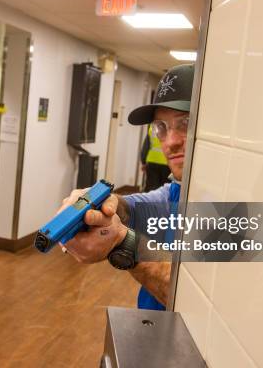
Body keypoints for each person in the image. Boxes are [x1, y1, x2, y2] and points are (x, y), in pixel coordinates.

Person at [59, 64, 193, 310]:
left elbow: (196, 303)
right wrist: (104, 205)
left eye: (186, 123)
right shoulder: (178, 189)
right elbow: (136, 207)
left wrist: (122, 243)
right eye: (161, 128)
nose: (170, 142)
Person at [140, 124, 170, 192]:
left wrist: (143, 161)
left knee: (151, 187)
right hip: (167, 163)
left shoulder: (153, 127)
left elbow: (146, 145)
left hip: (152, 161)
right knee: (165, 189)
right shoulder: (171, 126)